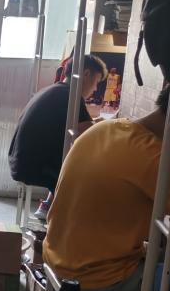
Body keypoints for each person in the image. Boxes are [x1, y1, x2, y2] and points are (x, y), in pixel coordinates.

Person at [44, 84, 170, 291]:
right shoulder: (153, 155)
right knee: (169, 265)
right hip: (98, 274)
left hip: (60, 255)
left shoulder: (106, 129)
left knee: (160, 254)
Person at [9, 54, 107, 220]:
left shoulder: (55, 90)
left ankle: (48, 205)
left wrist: (96, 123)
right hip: (33, 167)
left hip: (20, 160)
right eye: (96, 81)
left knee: (72, 158)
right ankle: (67, 221)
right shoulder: (71, 96)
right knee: (91, 173)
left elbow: (81, 126)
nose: (96, 88)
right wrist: (109, 124)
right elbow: (88, 133)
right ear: (86, 74)